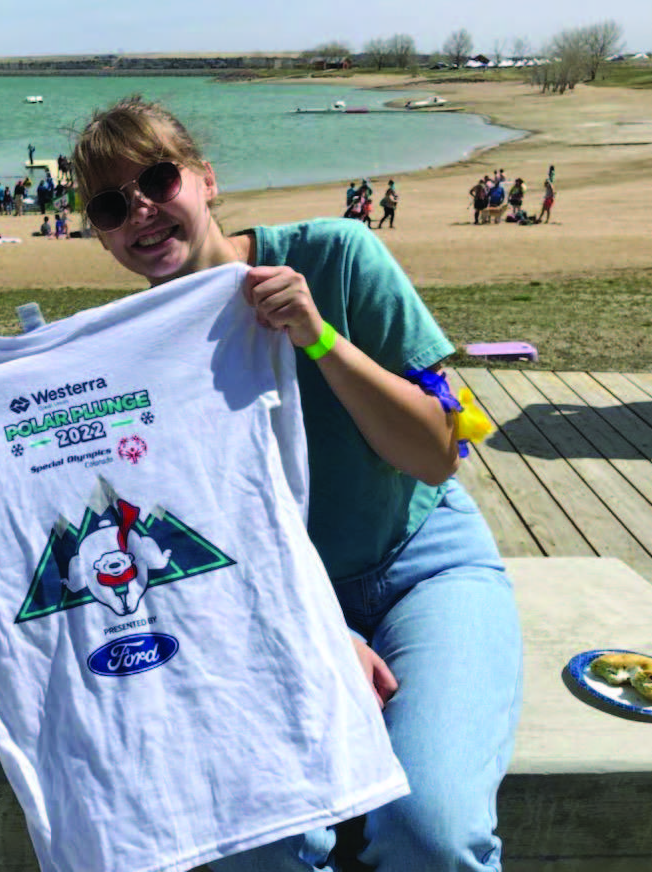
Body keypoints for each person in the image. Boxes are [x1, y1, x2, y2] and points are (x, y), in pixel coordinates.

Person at [72, 95, 521, 872]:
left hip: (423, 566)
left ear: (206, 179)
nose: (139, 209)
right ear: (103, 237)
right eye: (111, 205)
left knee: (430, 831)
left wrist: (317, 338)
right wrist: (320, 629)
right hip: (267, 604)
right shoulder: (133, 361)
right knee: (252, 847)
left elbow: (438, 453)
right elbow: (188, 545)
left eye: (155, 178)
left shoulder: (339, 254)